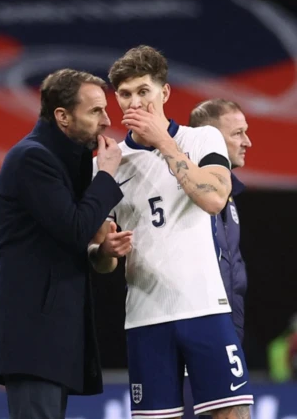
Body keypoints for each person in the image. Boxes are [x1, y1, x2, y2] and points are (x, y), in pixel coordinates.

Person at [92, 45, 254, 419]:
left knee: (233, 415)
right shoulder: (108, 162)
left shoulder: (203, 140)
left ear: (164, 93)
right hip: (145, 318)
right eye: (126, 94)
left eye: (143, 91)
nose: (135, 102)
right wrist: (105, 252)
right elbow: (100, 261)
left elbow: (213, 199)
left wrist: (163, 141)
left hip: (205, 310)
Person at [0, 68, 127, 419]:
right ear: (62, 116)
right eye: (95, 111)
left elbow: (75, 239)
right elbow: (75, 228)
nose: (106, 121)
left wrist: (100, 249)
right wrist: (105, 175)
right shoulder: (33, 158)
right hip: (31, 333)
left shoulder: (64, 161)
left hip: (52, 333)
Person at [189, 99, 251, 342]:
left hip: (230, 323)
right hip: (199, 327)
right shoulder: (185, 192)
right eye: (238, 134)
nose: (248, 142)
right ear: (208, 139)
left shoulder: (231, 195)